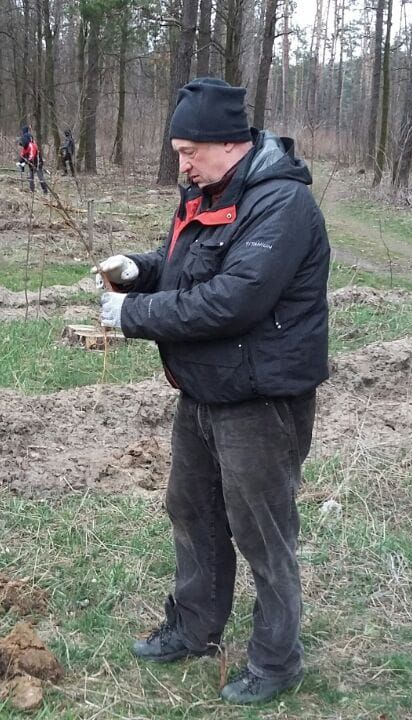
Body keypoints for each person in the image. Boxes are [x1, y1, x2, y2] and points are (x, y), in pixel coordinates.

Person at [92, 77, 330, 705]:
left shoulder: (282, 205)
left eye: (189, 151)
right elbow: (189, 269)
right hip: (201, 390)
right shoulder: (205, 192)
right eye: (179, 151)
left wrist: (131, 316)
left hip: (260, 398)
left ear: (230, 144)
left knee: (262, 532)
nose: (182, 162)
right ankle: (195, 627)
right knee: (192, 512)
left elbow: (233, 300)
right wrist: (138, 270)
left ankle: (277, 660)